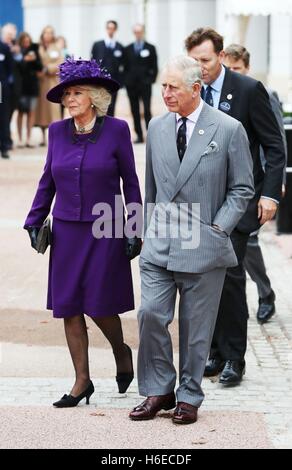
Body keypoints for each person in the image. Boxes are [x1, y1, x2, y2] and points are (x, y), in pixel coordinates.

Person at [129, 56, 254, 424]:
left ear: (196, 89)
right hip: (160, 242)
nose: (165, 94)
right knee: (150, 314)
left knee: (196, 329)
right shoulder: (156, 127)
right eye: (162, 87)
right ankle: (159, 388)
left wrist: (218, 229)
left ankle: (188, 395)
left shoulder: (229, 129)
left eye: (172, 88)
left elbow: (242, 187)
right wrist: (147, 228)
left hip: (205, 245)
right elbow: (151, 187)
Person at [24, 58, 142, 408]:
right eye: (67, 94)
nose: (70, 99)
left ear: (94, 97)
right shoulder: (57, 132)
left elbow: (131, 183)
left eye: (77, 93)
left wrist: (134, 226)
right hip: (66, 231)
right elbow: (48, 179)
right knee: (69, 306)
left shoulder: (118, 130)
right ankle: (81, 381)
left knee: (100, 303)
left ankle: (121, 352)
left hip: (106, 227)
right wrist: (34, 220)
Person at [185, 28, 285, 386]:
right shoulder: (190, 93)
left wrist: (271, 194)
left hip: (239, 201)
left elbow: (275, 145)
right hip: (199, 203)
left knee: (229, 277)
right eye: (194, 61)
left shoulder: (247, 90)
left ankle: (234, 359)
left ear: (222, 55)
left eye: (206, 61)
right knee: (201, 278)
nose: (200, 68)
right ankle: (211, 351)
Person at [224, 43, 288, 324]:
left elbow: (276, 140)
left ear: (247, 68)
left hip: (258, 181)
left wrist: (276, 183)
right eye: (229, 68)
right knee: (245, 246)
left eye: (237, 69)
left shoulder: (260, 92)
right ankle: (263, 293)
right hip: (232, 183)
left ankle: (265, 295)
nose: (233, 73)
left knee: (248, 242)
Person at [124, 23, 158, 143]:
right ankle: (139, 134)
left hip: (145, 84)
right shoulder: (127, 49)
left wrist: (151, 79)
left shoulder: (150, 48)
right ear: (134, 33)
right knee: (135, 110)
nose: (138, 34)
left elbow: (154, 65)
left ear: (143, 32)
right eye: (136, 32)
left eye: (140, 32)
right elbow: (124, 66)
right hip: (131, 85)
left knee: (147, 109)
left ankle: (150, 134)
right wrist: (126, 81)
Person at [34, 25, 63, 146]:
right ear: (42, 34)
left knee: (53, 110)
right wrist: (37, 70)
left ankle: (55, 137)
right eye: (46, 32)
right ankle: (42, 137)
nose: (48, 35)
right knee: (41, 111)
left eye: (50, 33)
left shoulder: (56, 48)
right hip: (40, 83)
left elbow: (60, 63)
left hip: (52, 82)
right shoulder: (37, 47)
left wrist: (47, 68)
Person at [91, 20, 124, 116]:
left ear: (115, 30)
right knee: (98, 105)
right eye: (109, 28)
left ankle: (110, 127)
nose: (111, 31)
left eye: (113, 28)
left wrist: (121, 82)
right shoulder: (97, 45)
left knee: (112, 106)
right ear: (106, 29)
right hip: (100, 81)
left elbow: (122, 65)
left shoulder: (120, 47)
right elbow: (93, 62)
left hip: (114, 82)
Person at [16, 32, 43, 148]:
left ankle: (28, 138)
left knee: (31, 112)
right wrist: (25, 60)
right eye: (25, 42)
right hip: (21, 86)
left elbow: (40, 67)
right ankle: (20, 138)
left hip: (33, 86)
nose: (27, 44)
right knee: (21, 112)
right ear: (21, 42)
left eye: (28, 41)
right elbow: (18, 68)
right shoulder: (18, 52)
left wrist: (34, 59)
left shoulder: (34, 51)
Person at [0, 37, 13, 159]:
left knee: (3, 117)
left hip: (1, 87)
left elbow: (10, 69)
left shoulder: (4, 48)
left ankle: (4, 147)